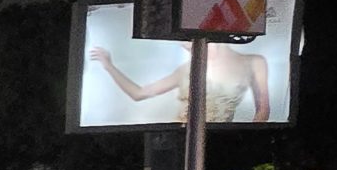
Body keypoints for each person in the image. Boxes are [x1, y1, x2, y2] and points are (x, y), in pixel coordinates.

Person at [87, 41, 271, 123]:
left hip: (220, 141)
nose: (186, 48)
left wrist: (246, 138)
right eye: (184, 46)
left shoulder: (253, 62)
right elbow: (138, 93)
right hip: (182, 136)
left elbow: (262, 109)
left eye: (188, 43)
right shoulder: (185, 70)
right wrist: (108, 66)